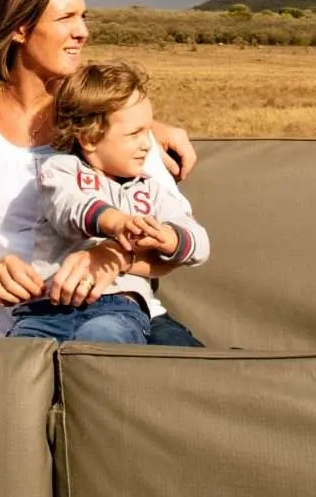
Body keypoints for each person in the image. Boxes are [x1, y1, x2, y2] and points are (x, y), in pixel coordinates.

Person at [0, 0, 205, 344]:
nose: (83, 32)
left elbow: (171, 244)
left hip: (129, 315)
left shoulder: (110, 112)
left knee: (213, 378)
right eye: (66, 18)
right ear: (20, 28)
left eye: (83, 16)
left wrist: (112, 256)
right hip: (27, 324)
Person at [14, 60, 209, 344]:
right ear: (89, 138)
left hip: (118, 306)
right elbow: (70, 207)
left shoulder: (151, 191)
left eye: (148, 132)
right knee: (19, 351)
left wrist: (169, 237)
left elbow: (200, 243)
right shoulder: (61, 171)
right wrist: (115, 222)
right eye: (135, 134)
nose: (147, 144)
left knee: (100, 338)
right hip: (46, 308)